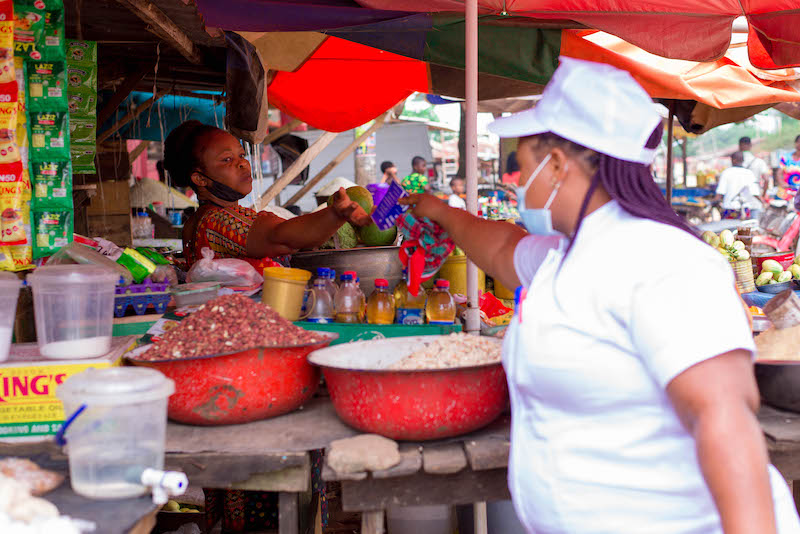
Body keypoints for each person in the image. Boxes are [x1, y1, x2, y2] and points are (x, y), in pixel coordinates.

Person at [400, 57, 800, 534]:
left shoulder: (661, 261)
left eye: (520, 165)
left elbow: (726, 421)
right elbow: (503, 248)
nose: (515, 181)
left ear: (554, 165)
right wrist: (438, 211)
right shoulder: (565, 256)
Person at [163, 120, 370, 272]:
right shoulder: (216, 221)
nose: (243, 163)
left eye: (242, 155)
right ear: (200, 179)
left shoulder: (202, 219)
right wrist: (336, 213)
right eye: (226, 159)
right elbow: (280, 237)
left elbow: (294, 242)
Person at [716, 151, 763, 220]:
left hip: (729, 209)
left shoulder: (726, 172)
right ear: (743, 160)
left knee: (727, 230)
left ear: (732, 160)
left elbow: (720, 192)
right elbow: (755, 193)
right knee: (744, 230)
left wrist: (713, 202)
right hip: (744, 210)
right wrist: (763, 203)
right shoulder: (749, 173)